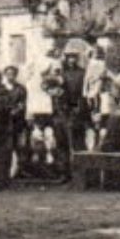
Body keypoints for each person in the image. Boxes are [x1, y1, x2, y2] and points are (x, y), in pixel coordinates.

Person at [45, 51, 89, 183]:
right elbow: (49, 88)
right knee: (61, 143)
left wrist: (79, 109)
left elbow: (84, 92)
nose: (71, 60)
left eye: (74, 57)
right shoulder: (59, 73)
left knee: (77, 143)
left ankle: (81, 174)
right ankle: (64, 174)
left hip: (75, 111)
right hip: (59, 112)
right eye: (69, 57)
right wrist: (53, 90)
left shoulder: (82, 73)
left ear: (77, 59)